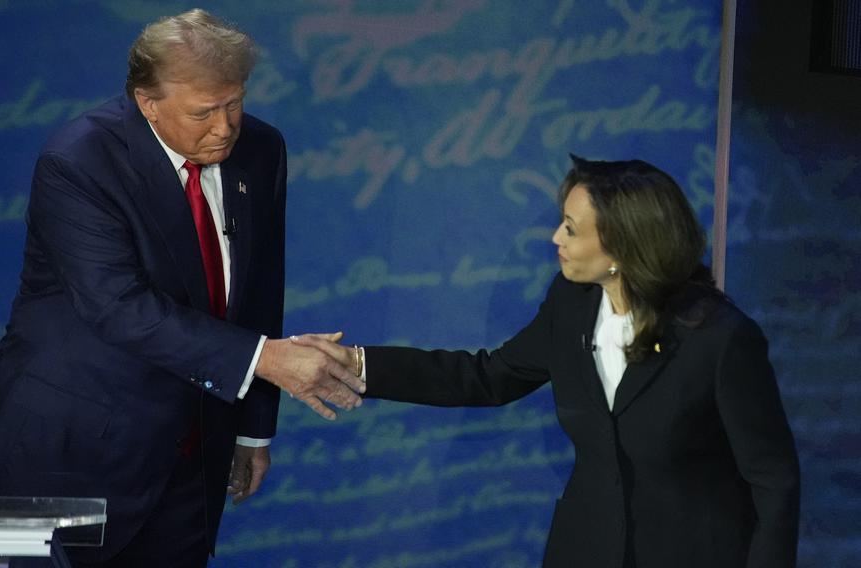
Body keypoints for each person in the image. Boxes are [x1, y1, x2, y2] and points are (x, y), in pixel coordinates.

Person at [0, 9, 363, 567]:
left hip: (189, 457)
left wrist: (250, 432)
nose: (224, 127)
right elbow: (117, 306)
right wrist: (267, 360)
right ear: (147, 103)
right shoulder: (77, 161)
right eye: (203, 112)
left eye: (234, 103)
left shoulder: (262, 148)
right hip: (55, 449)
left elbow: (259, 290)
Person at [295, 156, 801, 568]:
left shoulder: (720, 339)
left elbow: (774, 481)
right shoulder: (572, 302)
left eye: (571, 229)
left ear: (623, 247)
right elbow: (489, 377)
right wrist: (358, 363)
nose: (555, 240)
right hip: (585, 549)